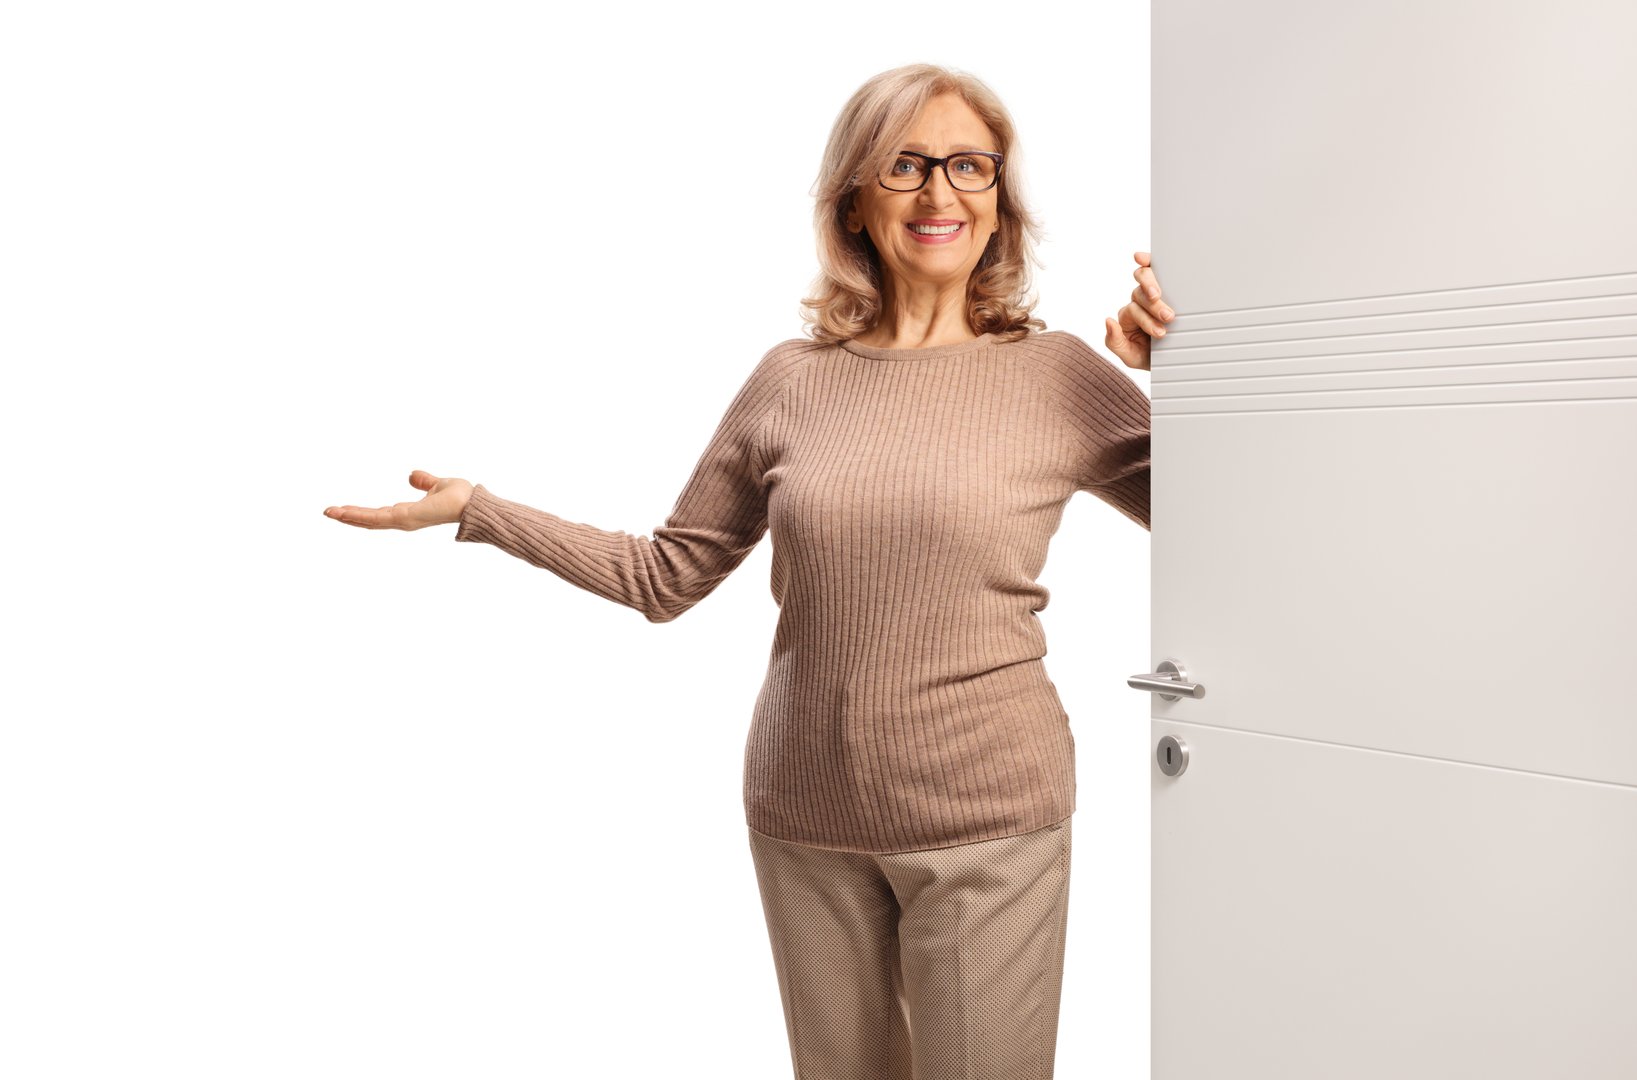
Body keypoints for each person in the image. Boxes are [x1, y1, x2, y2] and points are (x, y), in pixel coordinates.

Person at [324, 63, 1174, 1080]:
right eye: (904, 165)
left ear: (999, 203)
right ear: (854, 199)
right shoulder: (792, 378)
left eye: (966, 166)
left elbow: (1228, 524)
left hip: (987, 819)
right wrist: (483, 514)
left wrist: (1182, 378)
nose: (938, 193)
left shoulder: (1058, 374)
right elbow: (668, 574)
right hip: (804, 811)